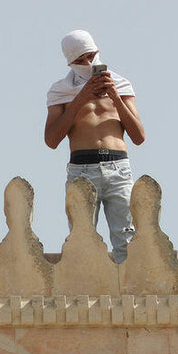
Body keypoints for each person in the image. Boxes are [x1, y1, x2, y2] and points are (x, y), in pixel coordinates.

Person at [45, 30, 145, 263]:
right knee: (82, 239)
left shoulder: (120, 84)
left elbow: (138, 136)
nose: (88, 64)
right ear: (71, 62)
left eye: (91, 56)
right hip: (82, 170)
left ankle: (126, 296)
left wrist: (115, 97)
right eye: (80, 60)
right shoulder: (61, 91)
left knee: (127, 237)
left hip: (118, 168)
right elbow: (51, 139)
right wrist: (81, 98)